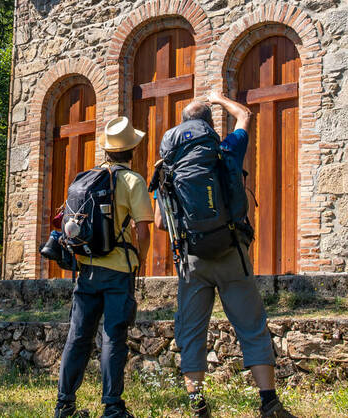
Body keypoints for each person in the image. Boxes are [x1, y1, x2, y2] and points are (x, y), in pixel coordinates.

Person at [156, 90, 297, 418]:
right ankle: (269, 404)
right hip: (232, 252)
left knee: (192, 330)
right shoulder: (226, 149)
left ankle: (198, 405)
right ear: (208, 126)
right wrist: (219, 98)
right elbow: (246, 116)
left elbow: (162, 223)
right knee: (251, 325)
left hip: (192, 261)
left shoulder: (167, 169)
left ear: (181, 130)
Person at [55, 116, 155, 418]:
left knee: (78, 336)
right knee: (113, 336)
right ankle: (112, 407)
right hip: (118, 270)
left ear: (107, 151)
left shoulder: (85, 179)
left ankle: (64, 404)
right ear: (132, 150)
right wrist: (142, 260)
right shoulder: (133, 181)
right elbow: (143, 231)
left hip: (86, 269)